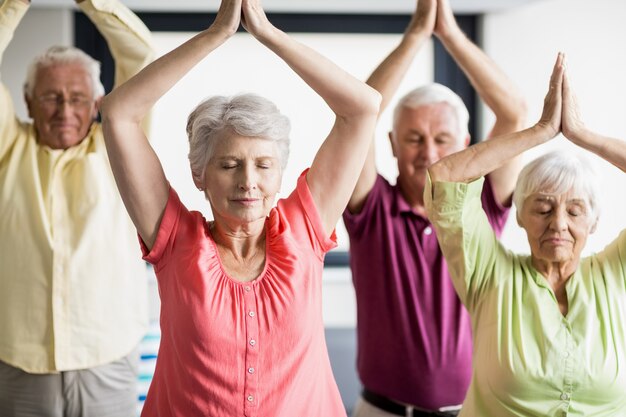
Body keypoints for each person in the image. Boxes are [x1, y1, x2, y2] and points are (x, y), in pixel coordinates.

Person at [99, 0, 381, 415]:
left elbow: (362, 108)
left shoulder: (303, 228)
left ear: (279, 173)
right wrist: (216, 35)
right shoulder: (176, 239)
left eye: (263, 165)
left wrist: (268, 34)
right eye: (229, 165)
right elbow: (119, 114)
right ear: (200, 175)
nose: (248, 181)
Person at [343, 0, 527, 415]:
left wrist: (450, 34)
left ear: (465, 145)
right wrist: (415, 36)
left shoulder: (482, 205)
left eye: (441, 139)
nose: (428, 152)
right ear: (391, 143)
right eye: (413, 138)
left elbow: (514, 114)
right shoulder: (372, 207)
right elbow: (358, 112)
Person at [426, 52, 626, 416]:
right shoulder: (491, 276)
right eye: (544, 208)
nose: (558, 224)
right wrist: (540, 132)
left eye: (575, 211)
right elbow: (445, 178)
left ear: (594, 221)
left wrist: (582, 134)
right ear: (519, 215)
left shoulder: (615, 274)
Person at [0, 0, 154, 415]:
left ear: (98, 104)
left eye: (77, 98)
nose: (65, 111)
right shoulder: (7, 148)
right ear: (28, 102)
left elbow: (141, 58)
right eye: (51, 97)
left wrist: (94, 2)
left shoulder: (120, 147)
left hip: (106, 353)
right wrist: (15, 4)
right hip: (18, 358)